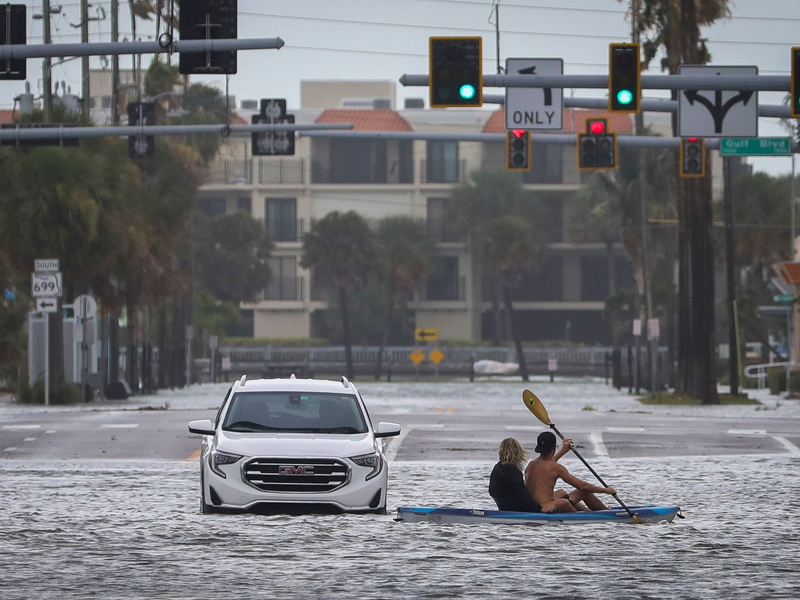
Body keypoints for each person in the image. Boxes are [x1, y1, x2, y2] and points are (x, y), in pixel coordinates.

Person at [525, 431, 616, 513]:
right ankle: (603, 512)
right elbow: (582, 486)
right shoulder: (556, 468)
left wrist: (563, 451)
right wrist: (605, 490)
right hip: (547, 508)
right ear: (554, 447)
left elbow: (548, 465)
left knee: (561, 493)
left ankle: (588, 512)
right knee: (583, 492)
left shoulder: (531, 464)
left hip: (534, 506)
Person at [488, 438, 541, 512]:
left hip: (504, 508)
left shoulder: (497, 468)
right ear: (517, 452)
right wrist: (540, 509)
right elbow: (522, 496)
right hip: (517, 510)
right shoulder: (513, 471)